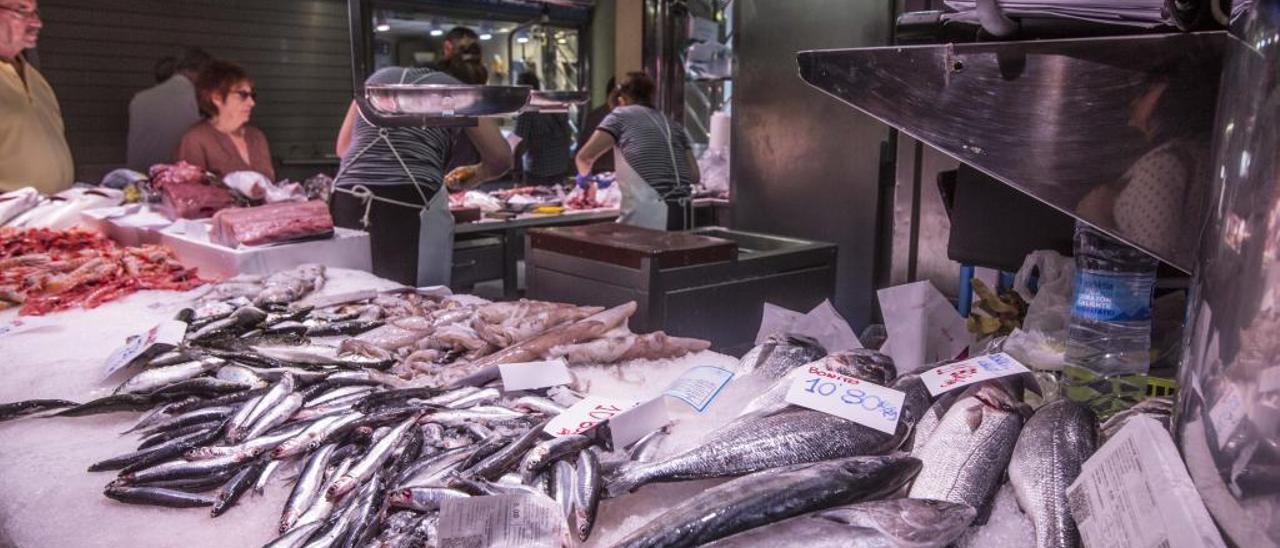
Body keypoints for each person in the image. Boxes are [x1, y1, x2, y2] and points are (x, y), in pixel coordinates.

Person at [332, 66, 511, 287]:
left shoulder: (377, 78)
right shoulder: (457, 91)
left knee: (351, 291)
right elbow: (501, 158)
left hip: (347, 196)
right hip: (410, 200)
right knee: (418, 299)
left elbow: (342, 149)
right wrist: (478, 174)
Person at [575, 71, 700, 230]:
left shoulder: (620, 115)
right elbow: (694, 175)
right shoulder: (671, 124)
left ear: (621, 101)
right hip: (685, 214)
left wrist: (585, 180)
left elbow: (584, 157)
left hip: (651, 216)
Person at [0, 0, 73, 194]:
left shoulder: (37, 80)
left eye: (36, 13)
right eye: (21, 10)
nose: (36, 23)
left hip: (52, 215)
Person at [176, 60, 275, 180]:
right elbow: (189, 192)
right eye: (243, 95)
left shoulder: (257, 137)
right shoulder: (195, 140)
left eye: (252, 95)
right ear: (216, 98)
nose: (252, 103)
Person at [127, 47, 211, 172]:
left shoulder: (139, 98)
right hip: (172, 178)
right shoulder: (197, 99)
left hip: (135, 174)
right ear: (201, 72)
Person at [512, 73, 572, 185]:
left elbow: (519, 143)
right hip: (560, 167)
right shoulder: (555, 103)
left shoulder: (527, 109)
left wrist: (516, 172)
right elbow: (567, 133)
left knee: (537, 201)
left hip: (537, 170)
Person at [578, 76, 616, 174]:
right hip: (601, 171)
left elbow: (583, 156)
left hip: (606, 171)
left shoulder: (596, 115)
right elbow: (583, 156)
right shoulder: (598, 116)